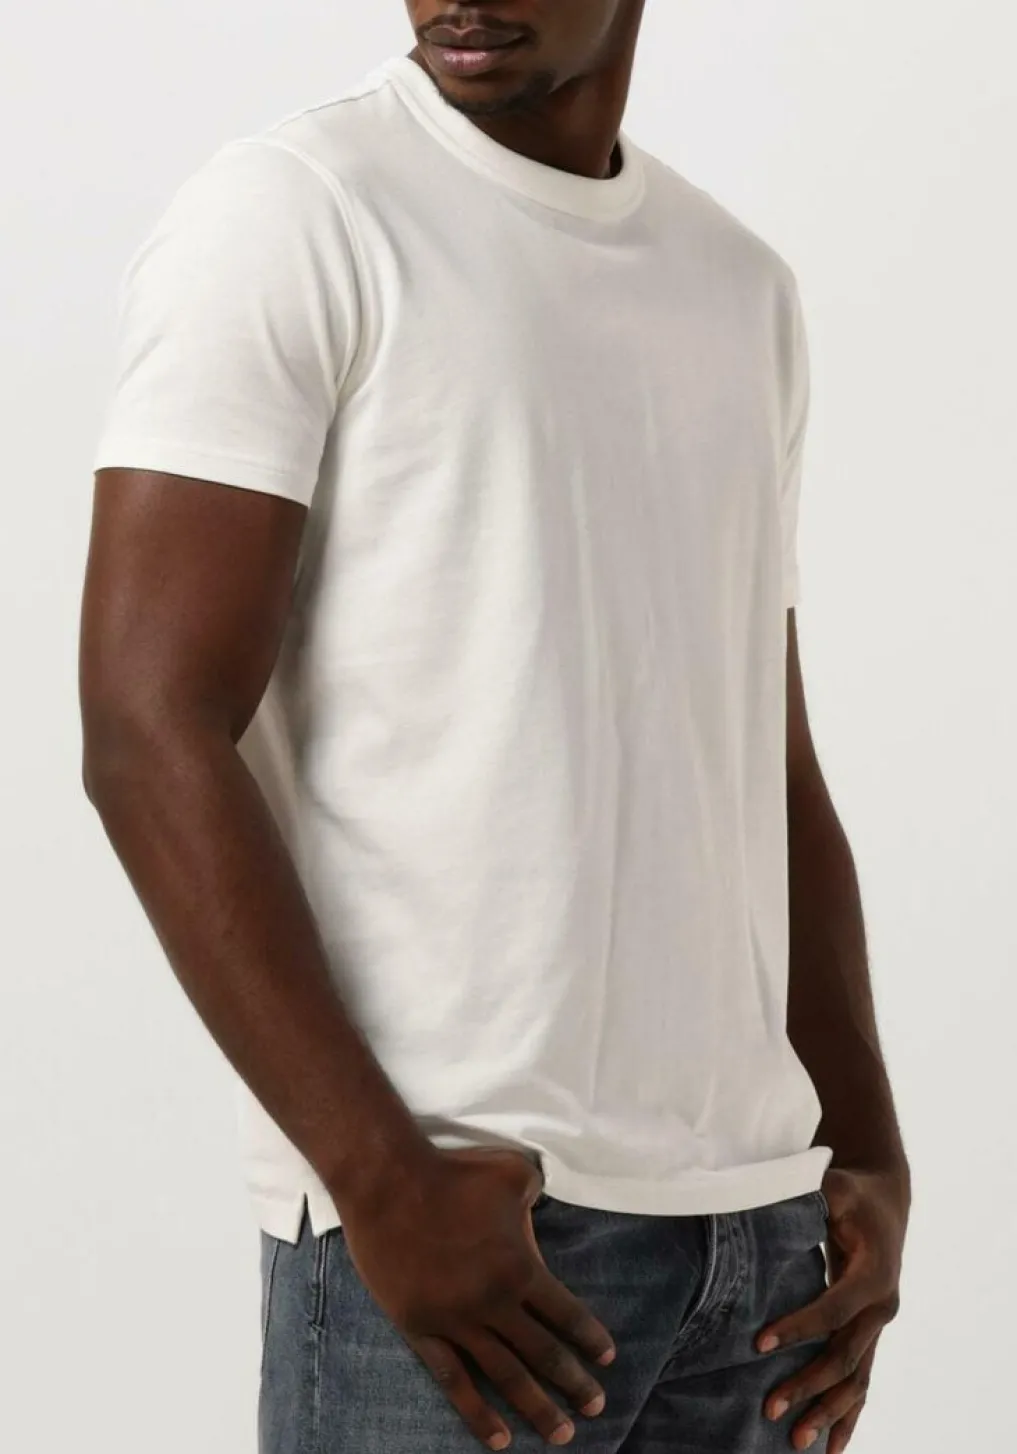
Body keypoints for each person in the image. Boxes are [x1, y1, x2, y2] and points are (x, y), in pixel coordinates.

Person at [79, 2, 909, 1451]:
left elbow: (761, 759)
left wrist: (868, 1146)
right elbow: (147, 724)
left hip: (762, 1251)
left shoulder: (738, 288)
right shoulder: (299, 214)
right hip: (463, 1237)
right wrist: (381, 1183)